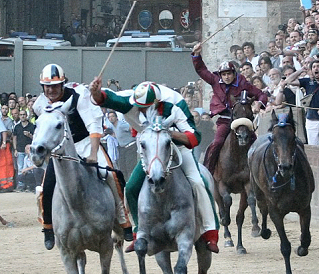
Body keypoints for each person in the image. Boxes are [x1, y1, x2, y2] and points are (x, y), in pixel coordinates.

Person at [88, 79, 220, 254]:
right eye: (139, 107)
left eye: (145, 107)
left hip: (177, 147)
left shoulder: (175, 104)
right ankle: (138, 233)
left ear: (157, 102)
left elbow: (195, 137)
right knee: (131, 188)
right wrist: (95, 91)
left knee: (197, 182)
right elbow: (104, 98)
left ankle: (210, 231)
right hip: (149, 149)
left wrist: (169, 133)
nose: (141, 110)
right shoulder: (129, 101)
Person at [33, 64, 133, 250]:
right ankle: (48, 227)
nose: (51, 90)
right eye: (47, 87)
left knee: (112, 176)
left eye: (55, 86)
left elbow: (93, 125)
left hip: (85, 142)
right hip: (61, 149)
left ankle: (123, 220)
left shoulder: (79, 95)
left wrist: (94, 153)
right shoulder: (39, 104)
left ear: (63, 84)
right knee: (47, 186)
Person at [191, 42, 268, 175]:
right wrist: (196, 55)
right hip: (225, 120)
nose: (226, 77)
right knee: (217, 142)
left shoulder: (243, 82)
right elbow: (201, 70)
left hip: (242, 120)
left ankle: (262, 175)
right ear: (220, 75)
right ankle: (208, 173)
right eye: (224, 74)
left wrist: (259, 104)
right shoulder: (215, 80)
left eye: (229, 74)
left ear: (234, 73)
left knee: (256, 144)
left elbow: (261, 94)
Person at [284, 60, 319, 145]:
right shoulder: (307, 81)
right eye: (313, 67)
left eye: (318, 66)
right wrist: (301, 70)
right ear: (311, 70)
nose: (316, 68)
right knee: (313, 146)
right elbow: (288, 81)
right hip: (311, 119)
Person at [12, 109, 35, 191]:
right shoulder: (17, 127)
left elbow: (35, 138)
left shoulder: (32, 126)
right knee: (20, 168)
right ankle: (21, 185)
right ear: (19, 116)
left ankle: (30, 185)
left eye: (24, 114)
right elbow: (14, 138)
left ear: (26, 115)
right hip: (20, 150)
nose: (22, 116)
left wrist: (30, 136)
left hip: (30, 151)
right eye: (21, 115)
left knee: (30, 169)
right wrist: (15, 149)